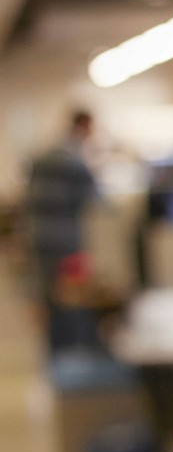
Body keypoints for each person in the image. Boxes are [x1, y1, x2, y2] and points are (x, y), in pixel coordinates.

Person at [24, 109, 100, 353]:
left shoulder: (43, 155)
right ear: (85, 126)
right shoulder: (75, 161)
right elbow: (94, 200)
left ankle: (56, 351)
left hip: (38, 237)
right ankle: (73, 351)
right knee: (71, 297)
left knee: (49, 296)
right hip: (66, 240)